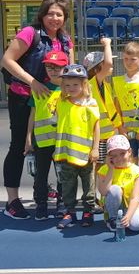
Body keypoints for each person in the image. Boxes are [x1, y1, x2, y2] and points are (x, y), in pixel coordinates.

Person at [1, 0, 74, 219]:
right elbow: (7, 60)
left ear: (65, 17)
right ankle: (13, 200)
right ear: (42, 15)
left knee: (53, 146)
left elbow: (70, 70)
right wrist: (32, 82)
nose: (54, 18)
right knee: (20, 146)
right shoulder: (29, 33)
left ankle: (45, 190)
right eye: (50, 13)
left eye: (59, 14)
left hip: (55, 100)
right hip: (24, 97)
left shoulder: (65, 39)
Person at [53, 64, 100, 229]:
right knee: (67, 184)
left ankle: (88, 211)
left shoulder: (89, 103)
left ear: (84, 85)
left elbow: (96, 127)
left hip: (85, 154)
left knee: (89, 185)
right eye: (67, 85)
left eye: (75, 84)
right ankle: (69, 212)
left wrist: (95, 148)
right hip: (66, 154)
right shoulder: (61, 102)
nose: (71, 88)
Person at [24, 51, 68, 220]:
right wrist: (28, 138)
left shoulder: (70, 89)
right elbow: (33, 115)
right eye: (50, 67)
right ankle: (41, 204)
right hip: (42, 142)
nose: (53, 70)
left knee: (63, 175)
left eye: (58, 67)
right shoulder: (39, 89)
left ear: (65, 67)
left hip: (62, 142)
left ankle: (63, 204)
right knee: (40, 175)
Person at [112, 42, 139, 202]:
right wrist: (120, 127)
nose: (128, 62)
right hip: (125, 131)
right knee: (130, 162)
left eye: (133, 59)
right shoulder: (117, 81)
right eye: (126, 59)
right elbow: (116, 107)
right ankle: (132, 191)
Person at [83, 38, 121, 214]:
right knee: (96, 168)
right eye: (104, 65)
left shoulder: (103, 85)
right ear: (97, 68)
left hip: (107, 135)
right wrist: (107, 44)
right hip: (97, 138)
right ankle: (94, 198)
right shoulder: (92, 83)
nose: (110, 67)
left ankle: (101, 196)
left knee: (103, 167)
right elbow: (108, 64)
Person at [97, 134, 139, 232]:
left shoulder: (137, 171)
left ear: (129, 152)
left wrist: (129, 216)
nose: (118, 158)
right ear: (109, 157)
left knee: (136, 226)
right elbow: (104, 192)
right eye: (114, 156)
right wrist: (111, 169)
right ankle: (113, 218)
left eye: (122, 153)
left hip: (130, 204)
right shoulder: (104, 170)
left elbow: (134, 197)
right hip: (113, 205)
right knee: (115, 189)